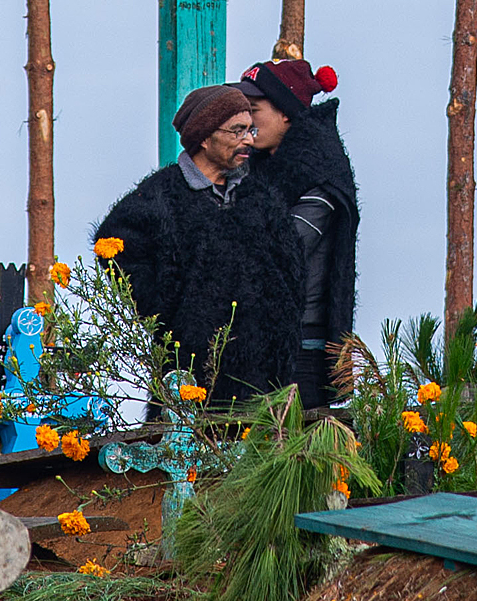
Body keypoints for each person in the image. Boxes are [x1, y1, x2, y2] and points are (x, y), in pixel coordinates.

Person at [93, 86, 313, 401]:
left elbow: (292, 272)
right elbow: (113, 246)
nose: (249, 140)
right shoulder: (161, 196)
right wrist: (164, 307)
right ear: (205, 137)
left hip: (261, 384)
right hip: (187, 378)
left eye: (249, 129)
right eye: (238, 131)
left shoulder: (262, 198)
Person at [240, 56, 360, 397]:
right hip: (265, 341)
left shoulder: (320, 172)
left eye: (253, 109)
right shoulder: (259, 168)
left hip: (303, 349)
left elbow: (286, 246)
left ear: (286, 112)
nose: (245, 121)